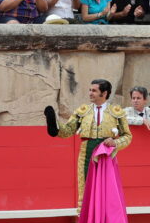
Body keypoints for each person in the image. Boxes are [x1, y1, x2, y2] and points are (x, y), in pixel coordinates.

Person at [47, 78, 131, 206]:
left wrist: (116, 143)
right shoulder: (83, 111)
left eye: (94, 91)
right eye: (90, 90)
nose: (90, 93)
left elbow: (127, 136)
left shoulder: (116, 112)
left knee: (106, 188)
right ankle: (87, 220)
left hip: (107, 154)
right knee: (86, 186)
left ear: (104, 93)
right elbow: (68, 130)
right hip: (86, 152)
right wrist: (55, 126)